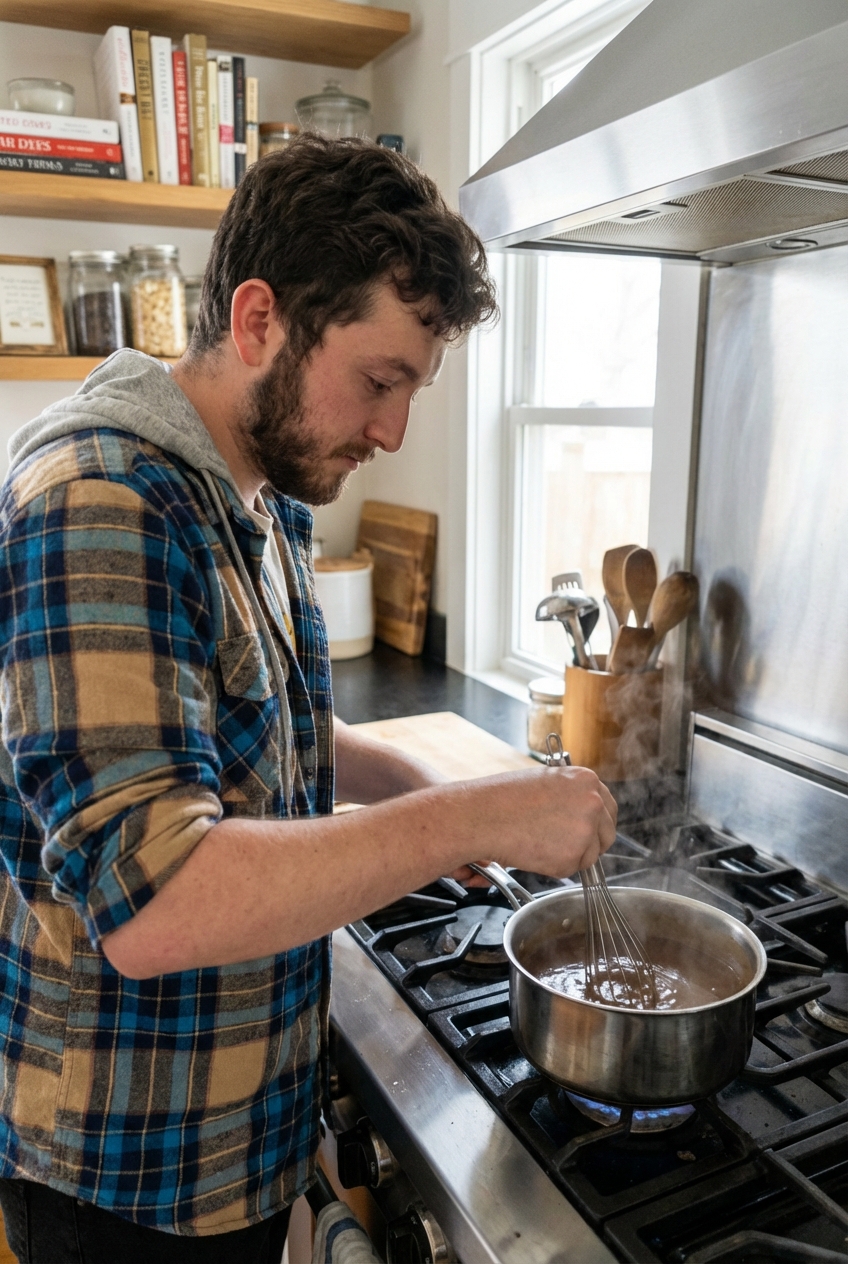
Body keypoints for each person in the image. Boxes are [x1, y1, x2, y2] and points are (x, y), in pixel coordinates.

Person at [0, 136, 616, 1262]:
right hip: (128, 1169)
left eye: (411, 392)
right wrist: (466, 822)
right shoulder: (99, 501)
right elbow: (156, 904)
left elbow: (270, 739)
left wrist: (421, 780)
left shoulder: (265, 491)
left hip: (241, 1128)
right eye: (380, 380)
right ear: (257, 321)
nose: (391, 432)